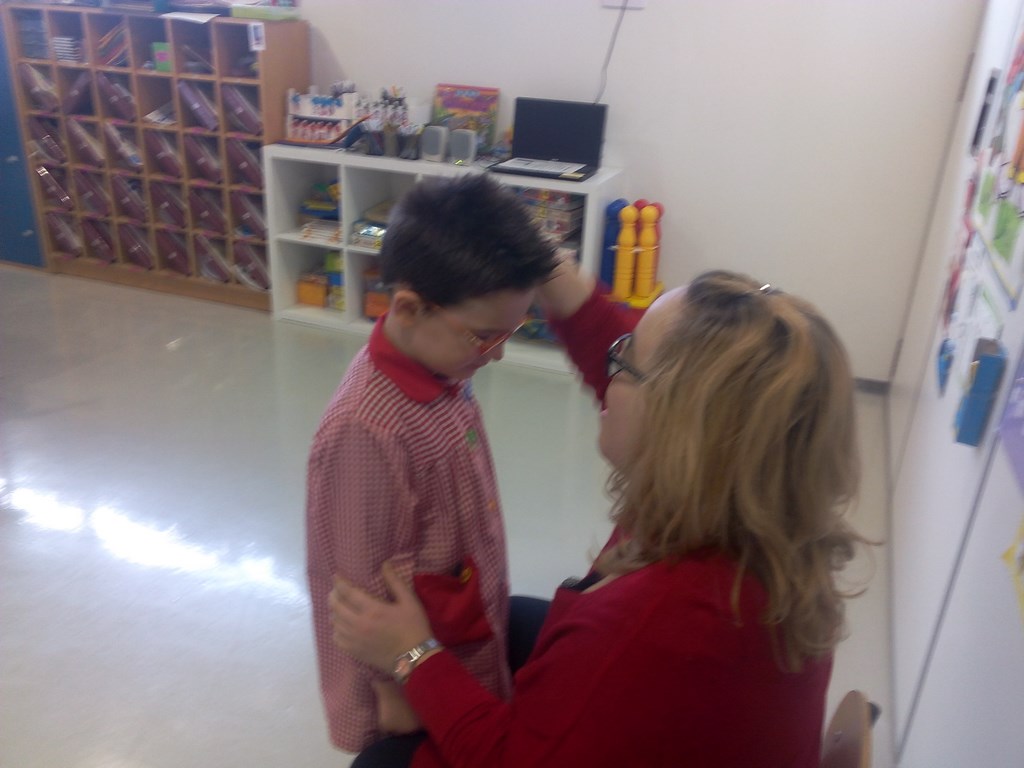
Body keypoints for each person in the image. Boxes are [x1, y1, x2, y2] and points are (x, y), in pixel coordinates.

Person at [328, 264, 865, 767]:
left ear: (681, 427)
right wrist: (551, 270)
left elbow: (509, 759)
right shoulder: (751, 505)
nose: (607, 370)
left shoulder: (650, 628)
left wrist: (412, 656)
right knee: (510, 620)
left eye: (625, 360)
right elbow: (621, 357)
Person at [306, 173, 558, 753]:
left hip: (458, 632)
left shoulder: (444, 364)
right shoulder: (366, 429)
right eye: (485, 337)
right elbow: (360, 590)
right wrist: (393, 691)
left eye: (511, 333)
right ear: (408, 308)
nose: (498, 354)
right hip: (407, 685)